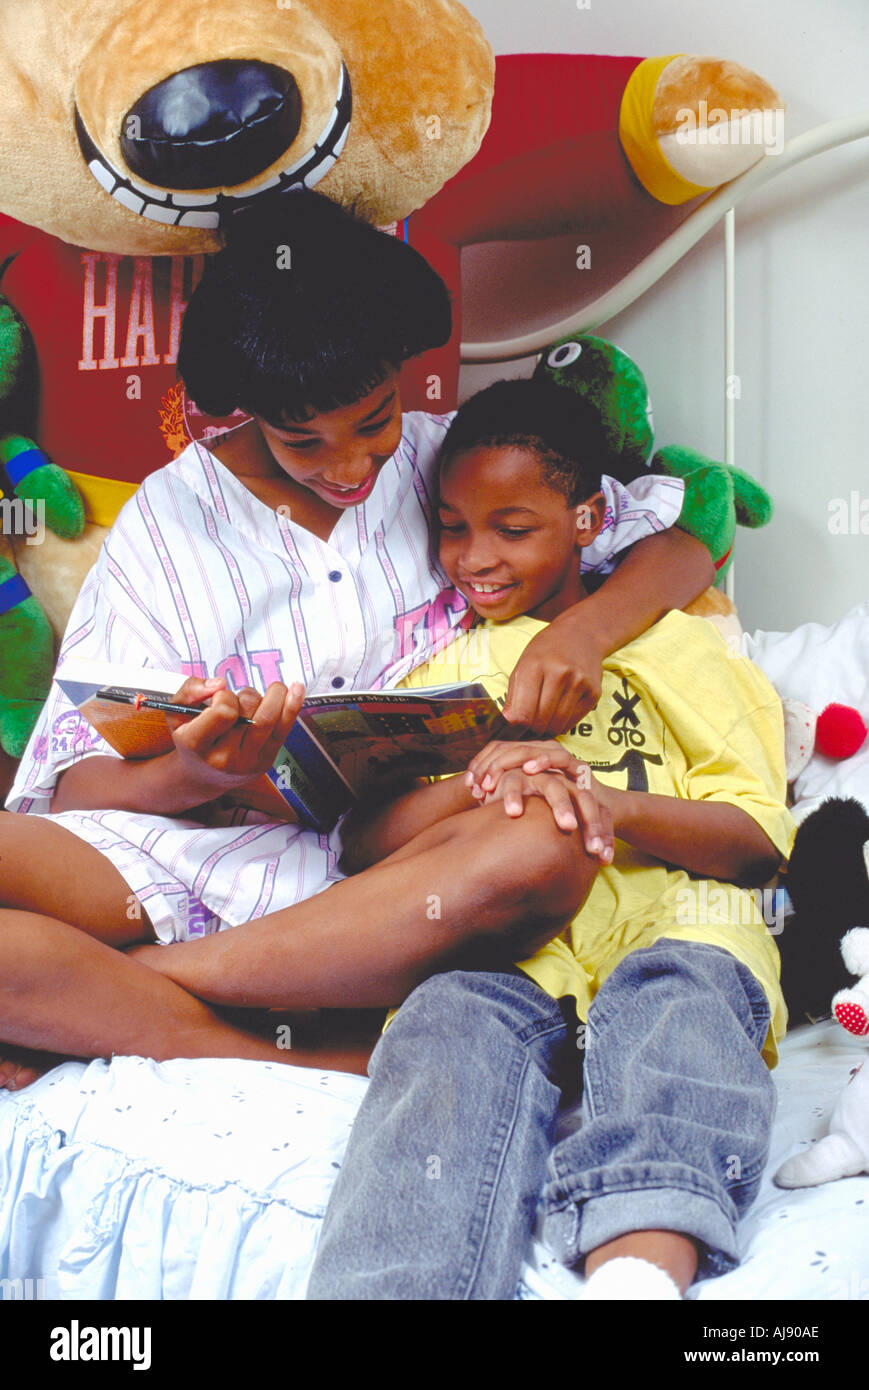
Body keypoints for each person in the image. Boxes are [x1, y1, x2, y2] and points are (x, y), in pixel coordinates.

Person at [0, 193, 712, 1091]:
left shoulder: (456, 462)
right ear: (245, 409)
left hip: (396, 864)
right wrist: (207, 773)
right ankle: (287, 1043)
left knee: (549, 843)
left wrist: (579, 631)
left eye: (375, 421)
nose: (348, 467)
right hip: (173, 850)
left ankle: (122, 997)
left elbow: (683, 543)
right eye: (304, 441)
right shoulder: (168, 520)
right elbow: (74, 788)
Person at [304, 376, 795, 1301]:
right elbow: (367, 845)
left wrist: (616, 806)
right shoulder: (446, 669)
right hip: (510, 951)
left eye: (511, 528)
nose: (473, 558)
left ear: (584, 518)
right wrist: (473, 784)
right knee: (440, 1031)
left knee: (682, 1017)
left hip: (675, 928)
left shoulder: (682, 650)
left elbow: (758, 845)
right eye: (451, 526)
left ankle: (639, 1271)